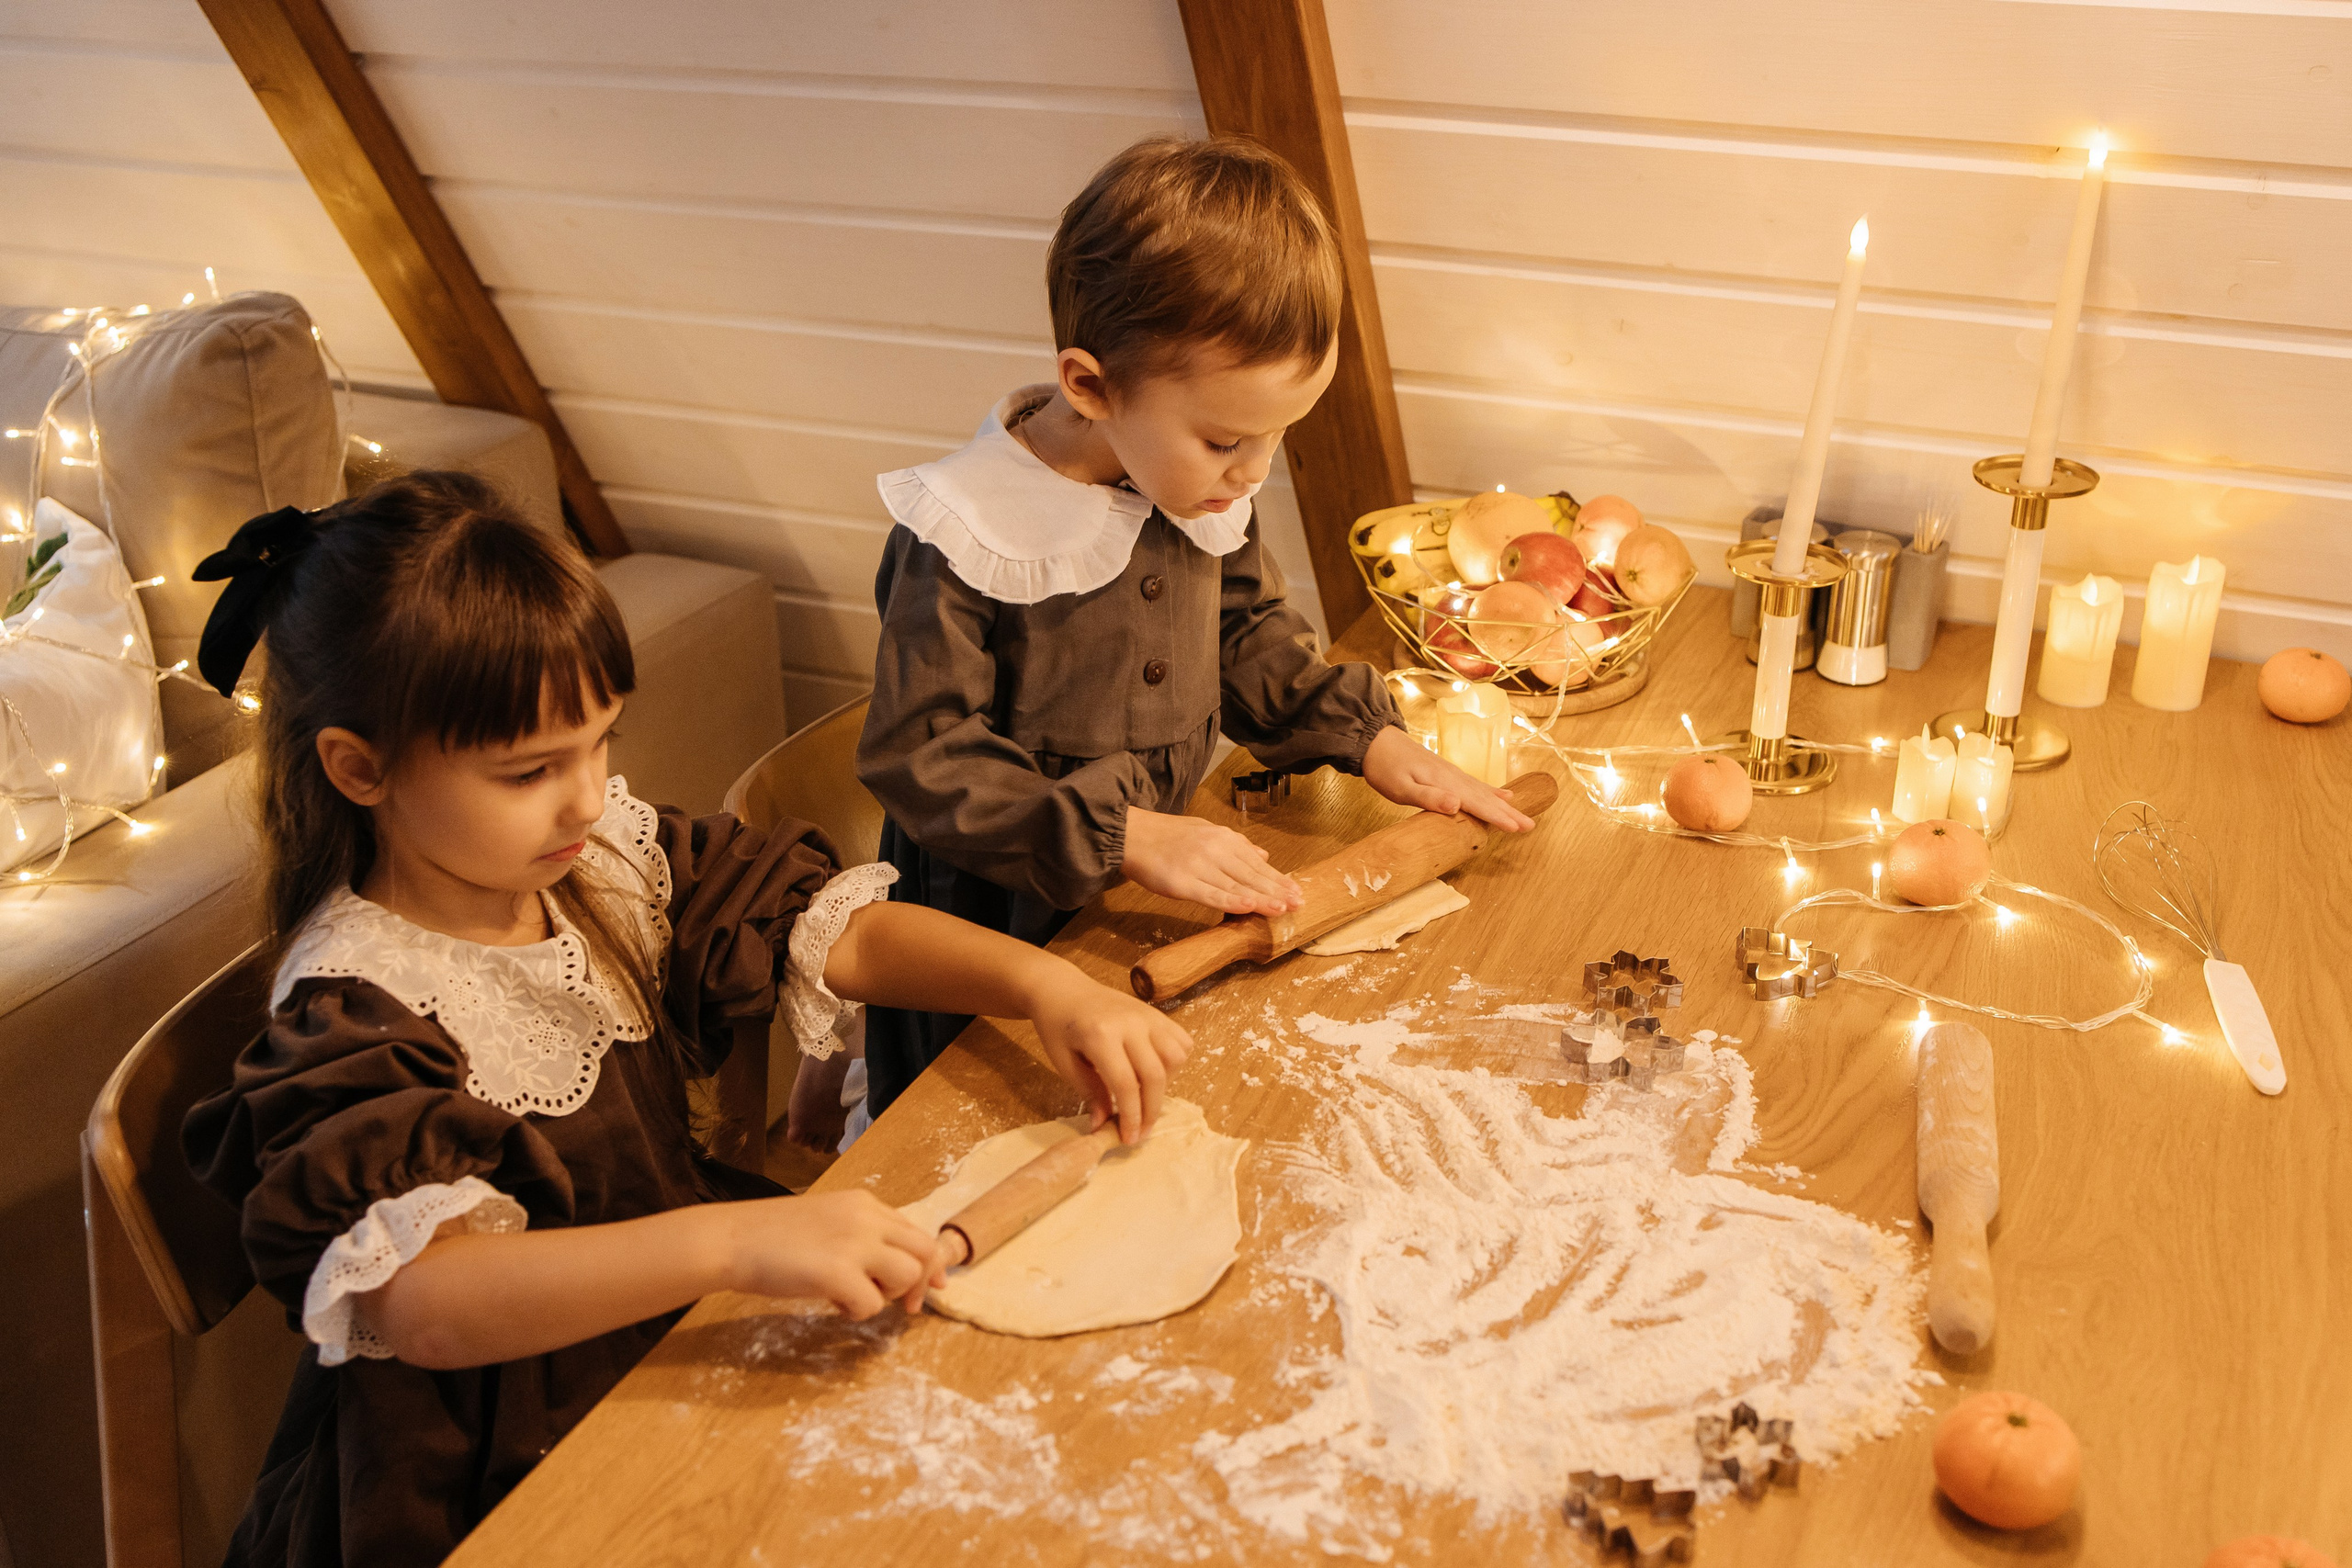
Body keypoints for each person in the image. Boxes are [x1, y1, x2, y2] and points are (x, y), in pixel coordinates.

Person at [180, 471, 1190, 1567]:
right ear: (359, 768)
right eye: (528, 771)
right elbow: (428, 1304)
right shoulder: (353, 1012)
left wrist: (1047, 988)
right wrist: (736, 1242)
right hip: (491, 1464)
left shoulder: (597, 863)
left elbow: (836, 929)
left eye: (598, 743)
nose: (584, 796)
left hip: (674, 1332)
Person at [854, 135, 1532, 1124]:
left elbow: (1246, 633)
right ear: (1090, 386)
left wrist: (1368, 740)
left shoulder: (1190, 479)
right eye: (1225, 438)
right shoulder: (963, 531)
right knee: (982, 1131)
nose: (1254, 471)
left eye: (1280, 433)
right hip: (994, 925)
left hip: (1139, 894)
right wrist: (1122, 835)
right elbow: (922, 757)